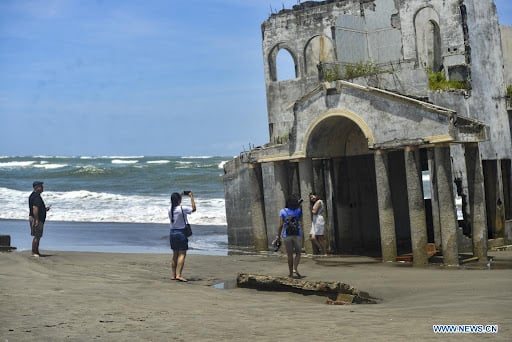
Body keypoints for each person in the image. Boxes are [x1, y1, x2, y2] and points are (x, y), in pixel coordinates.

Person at [168, 191, 196, 282]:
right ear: (179, 200)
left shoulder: (170, 208)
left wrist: (180, 195)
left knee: (175, 254)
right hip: (181, 233)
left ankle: (173, 275)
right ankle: (179, 275)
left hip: (172, 233)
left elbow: (175, 201)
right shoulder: (182, 208)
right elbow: (193, 209)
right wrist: (191, 197)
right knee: (182, 254)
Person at [276, 195, 303, 278]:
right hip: (297, 234)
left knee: (290, 255)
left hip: (286, 234)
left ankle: (291, 273)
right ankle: (295, 268)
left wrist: (278, 235)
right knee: (298, 253)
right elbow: (299, 220)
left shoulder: (282, 211)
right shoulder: (298, 210)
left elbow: (281, 225)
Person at [28, 181, 50, 257]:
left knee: (37, 236)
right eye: (41, 186)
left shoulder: (33, 195)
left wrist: (44, 209)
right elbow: (35, 208)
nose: (42, 188)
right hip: (36, 219)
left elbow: (37, 208)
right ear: (36, 187)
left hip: (35, 218)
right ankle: (34, 252)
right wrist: (36, 220)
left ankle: (36, 251)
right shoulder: (36, 196)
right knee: (37, 236)